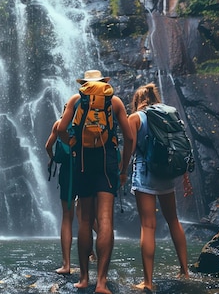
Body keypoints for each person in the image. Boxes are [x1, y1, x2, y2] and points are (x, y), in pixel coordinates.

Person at [57, 70, 133, 294]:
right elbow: (129, 137)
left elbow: (61, 129)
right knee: (106, 220)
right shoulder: (115, 102)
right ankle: (101, 283)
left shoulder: (76, 100)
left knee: (85, 220)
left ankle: (83, 279)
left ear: (85, 84)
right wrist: (123, 168)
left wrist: (71, 144)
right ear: (103, 83)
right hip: (107, 163)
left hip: (82, 161)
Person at [127, 83, 190, 291]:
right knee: (173, 220)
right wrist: (185, 175)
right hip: (167, 173)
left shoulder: (136, 118)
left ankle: (148, 282)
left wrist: (120, 170)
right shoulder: (168, 114)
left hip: (146, 173)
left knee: (148, 225)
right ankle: (185, 271)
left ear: (137, 101)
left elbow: (132, 147)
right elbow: (180, 145)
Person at [45, 114, 99, 275]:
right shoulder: (87, 123)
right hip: (85, 170)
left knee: (67, 217)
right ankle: (93, 255)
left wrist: (52, 159)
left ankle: (66, 265)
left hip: (67, 173)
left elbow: (48, 146)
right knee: (86, 216)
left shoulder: (59, 124)